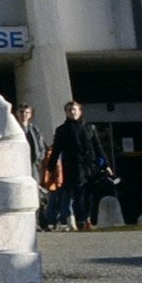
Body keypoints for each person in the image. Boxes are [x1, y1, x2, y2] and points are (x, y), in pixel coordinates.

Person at [46, 99, 110, 231]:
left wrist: (106, 165)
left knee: (88, 194)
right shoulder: (62, 130)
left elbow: (98, 147)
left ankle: (87, 218)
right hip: (72, 165)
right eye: (69, 110)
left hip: (89, 166)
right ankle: (81, 220)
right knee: (78, 192)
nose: (72, 112)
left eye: (74, 110)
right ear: (66, 113)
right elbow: (57, 149)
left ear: (80, 111)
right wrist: (51, 167)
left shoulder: (89, 128)